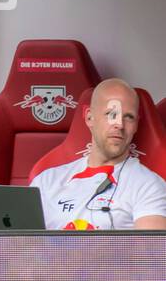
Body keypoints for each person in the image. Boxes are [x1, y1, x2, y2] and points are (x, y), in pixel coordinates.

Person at [30, 79, 166, 231]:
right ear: (89, 117)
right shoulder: (46, 181)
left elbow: (152, 252)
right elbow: (19, 246)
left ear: (136, 125)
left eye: (129, 117)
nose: (119, 124)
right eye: (110, 114)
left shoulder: (149, 185)